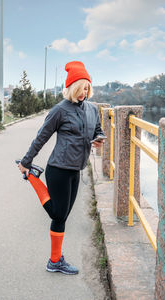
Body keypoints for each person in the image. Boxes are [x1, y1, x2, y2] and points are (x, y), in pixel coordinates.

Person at [18, 61, 105, 275]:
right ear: (71, 87)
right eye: (80, 88)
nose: (84, 92)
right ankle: (32, 177)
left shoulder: (93, 109)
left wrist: (98, 139)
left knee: (63, 216)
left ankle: (55, 261)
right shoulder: (59, 110)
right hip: (58, 168)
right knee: (57, 214)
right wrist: (25, 161)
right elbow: (41, 137)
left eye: (87, 88)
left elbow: (97, 130)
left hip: (76, 169)